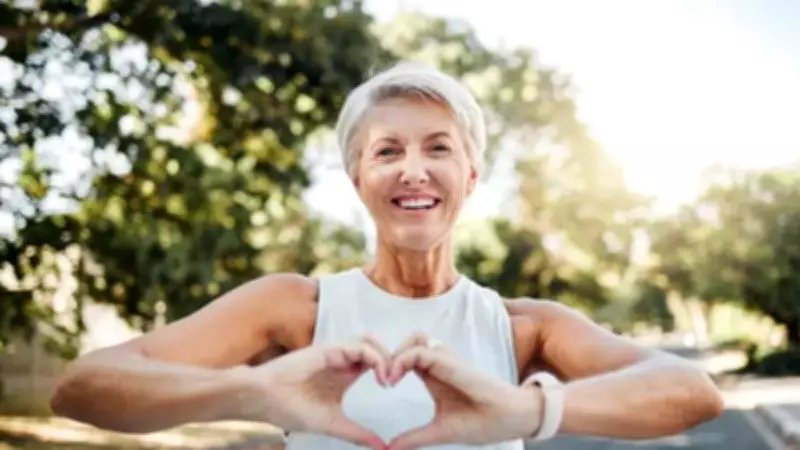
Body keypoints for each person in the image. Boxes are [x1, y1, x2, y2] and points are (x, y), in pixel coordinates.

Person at [49, 62, 723, 450]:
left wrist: (525, 411)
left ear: (470, 176)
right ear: (358, 179)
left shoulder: (522, 328)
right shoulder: (294, 309)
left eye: (438, 148)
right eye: (387, 151)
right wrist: (255, 393)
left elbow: (692, 392)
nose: (413, 170)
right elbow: (82, 386)